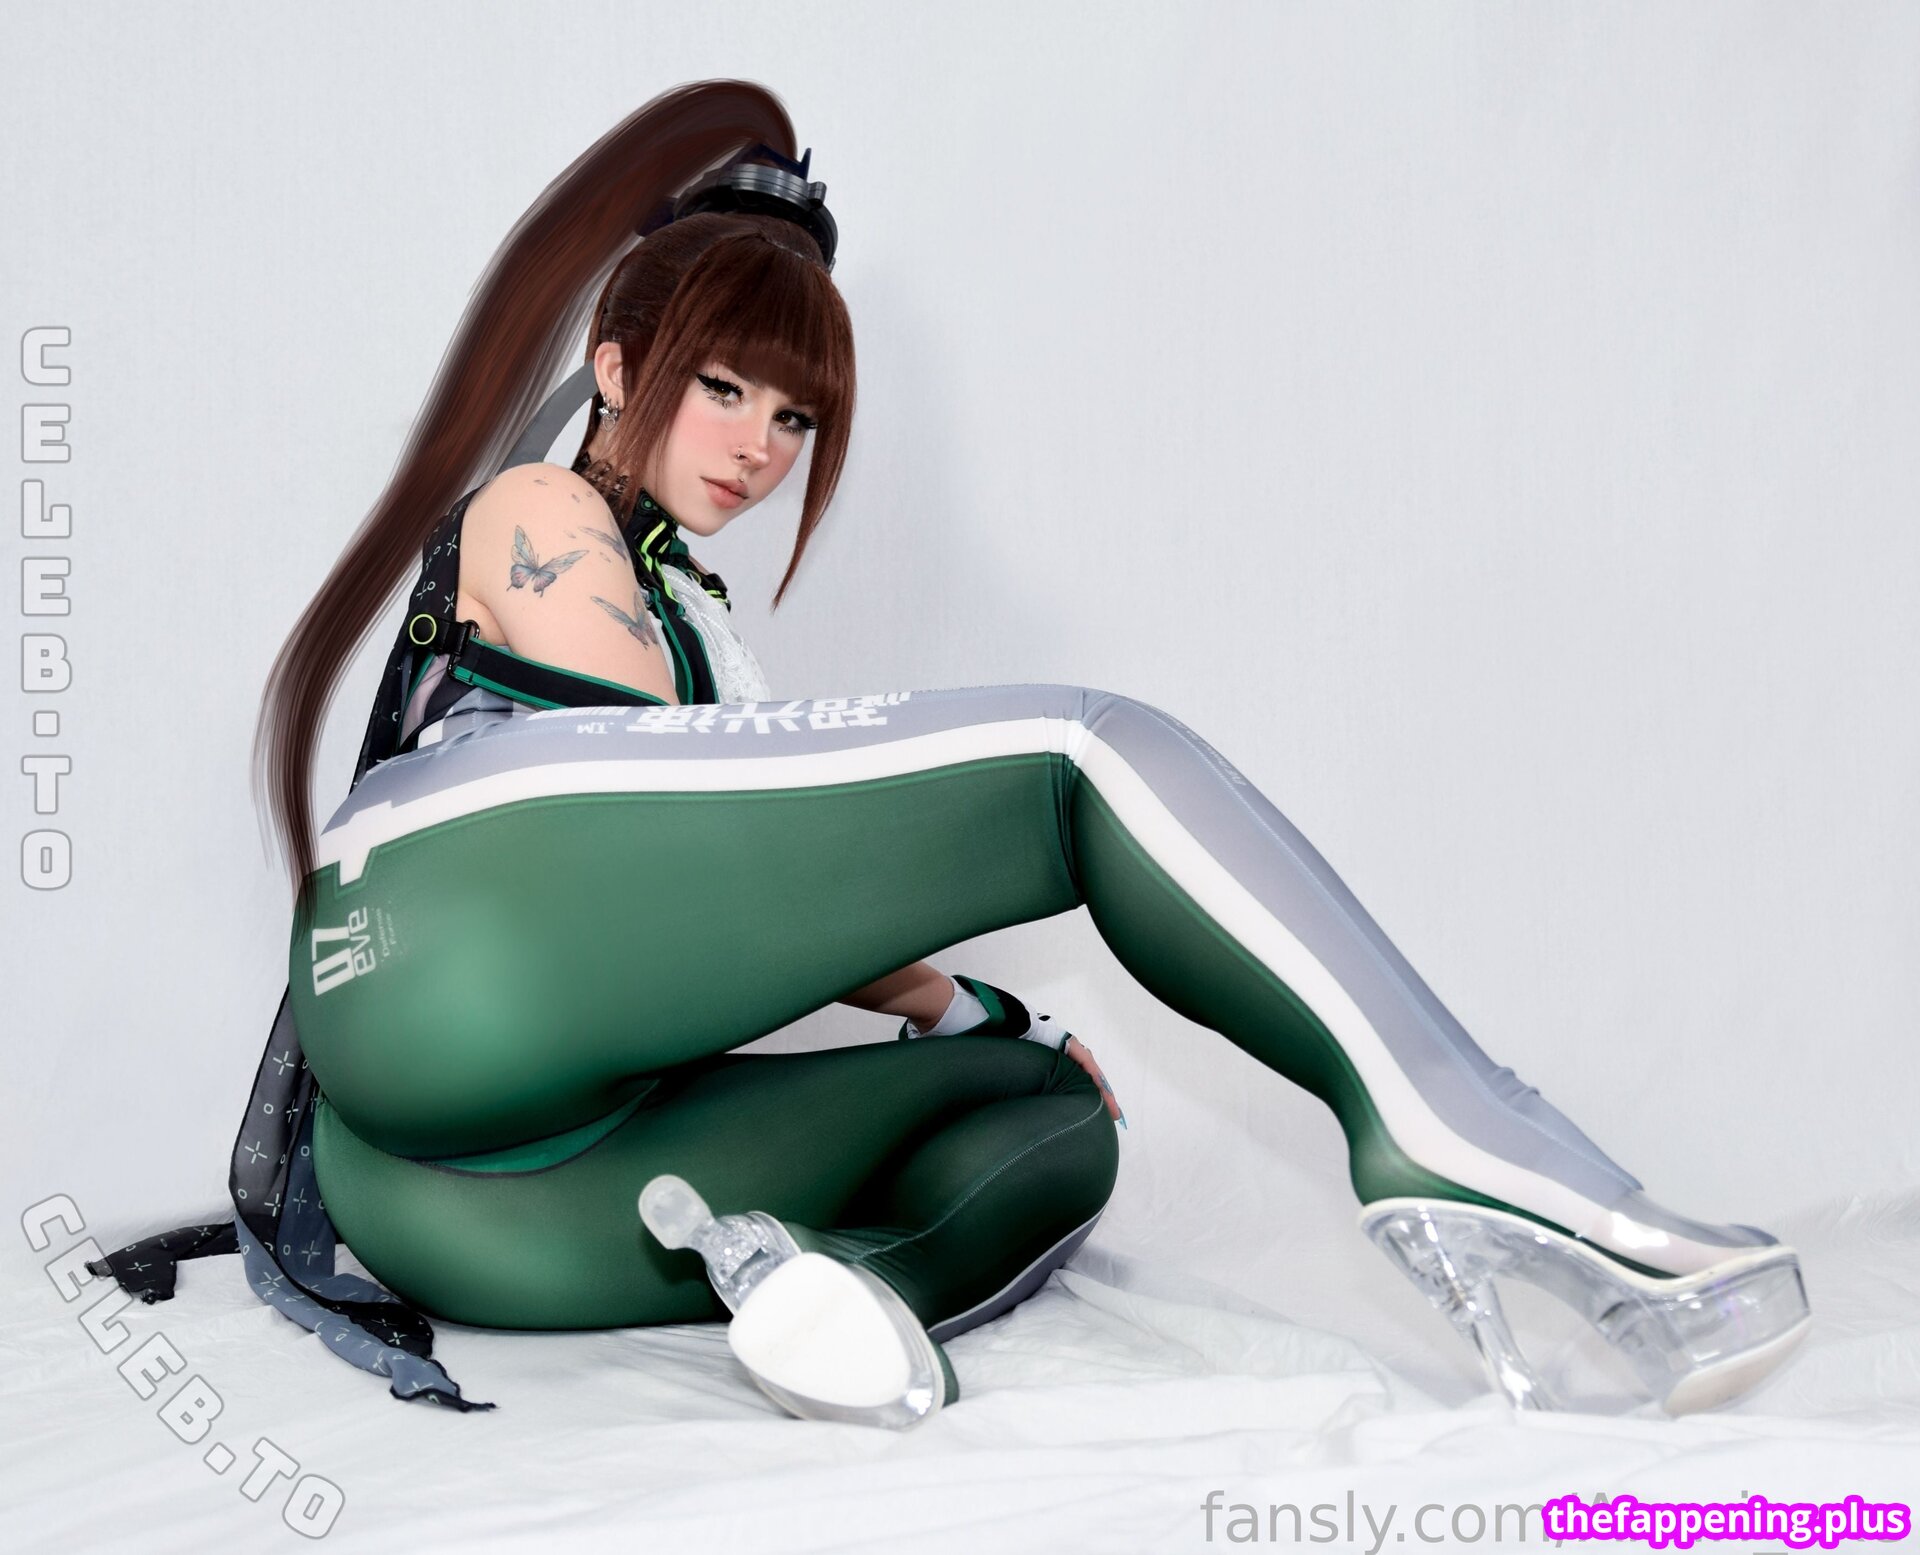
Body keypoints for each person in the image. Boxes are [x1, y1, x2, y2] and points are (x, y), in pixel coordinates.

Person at [88, 79, 1810, 1430]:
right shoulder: (538, 513)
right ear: (615, 365)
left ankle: (819, 1296)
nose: (761, 447)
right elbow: (673, 840)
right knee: (1084, 751)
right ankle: (1464, 1138)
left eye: (796, 416)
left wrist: (985, 1015)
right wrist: (920, 893)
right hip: (440, 961)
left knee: (1049, 1111)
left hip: (479, 1215)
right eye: (723, 390)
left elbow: (729, 893)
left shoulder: (699, 617)